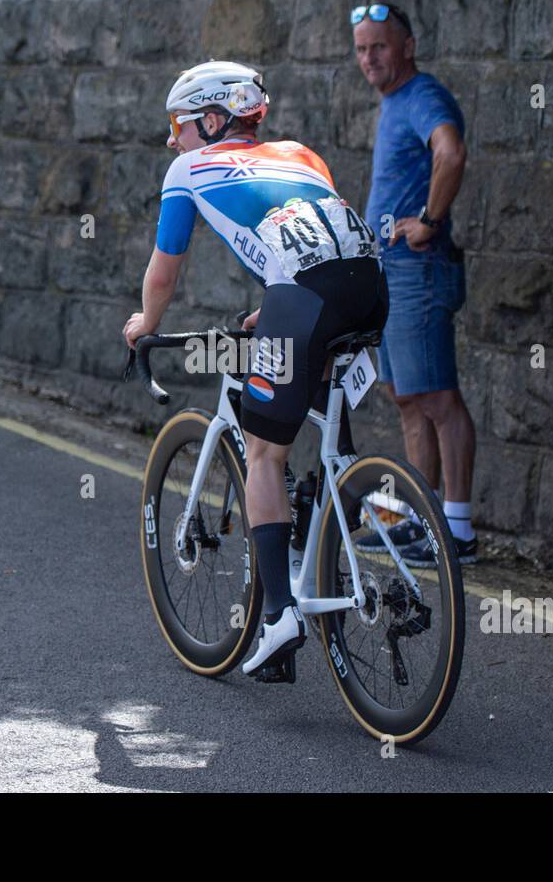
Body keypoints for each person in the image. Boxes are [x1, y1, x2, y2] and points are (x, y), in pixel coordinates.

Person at [122, 61, 388, 681]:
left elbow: (165, 269)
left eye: (179, 125)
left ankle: (278, 618)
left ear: (212, 122)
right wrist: (271, 309)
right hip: (367, 288)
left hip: (303, 299)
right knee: (321, 427)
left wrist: (145, 322)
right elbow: (314, 238)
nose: (172, 139)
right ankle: (329, 522)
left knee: (266, 455)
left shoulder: (188, 170)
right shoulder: (301, 154)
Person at [350, 2, 476, 567]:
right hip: (391, 269)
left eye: (379, 46)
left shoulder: (423, 94)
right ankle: (420, 521)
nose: (368, 57)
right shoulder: (396, 101)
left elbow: (450, 151)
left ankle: (457, 531)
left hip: (417, 269)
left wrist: (427, 220)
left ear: (407, 47)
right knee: (407, 398)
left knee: (437, 398)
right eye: (360, 48)